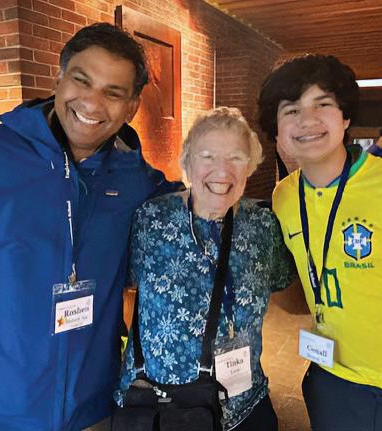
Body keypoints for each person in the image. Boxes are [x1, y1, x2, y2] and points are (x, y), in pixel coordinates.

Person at [0, 23, 174, 431]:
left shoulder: (137, 181)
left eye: (113, 92)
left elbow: (202, 203)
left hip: (91, 414)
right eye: (82, 81)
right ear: (58, 80)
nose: (92, 102)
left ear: (131, 107)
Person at [258, 54, 382, 431]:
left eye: (322, 104)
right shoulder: (284, 197)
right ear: (276, 130)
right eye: (291, 110)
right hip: (330, 377)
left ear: (345, 118)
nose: (307, 120)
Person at [115, 107, 295, 431]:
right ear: (187, 163)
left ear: (251, 166)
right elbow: (124, 291)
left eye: (236, 158)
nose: (222, 171)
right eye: (207, 156)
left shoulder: (264, 225)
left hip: (243, 404)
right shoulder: (151, 218)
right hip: (158, 404)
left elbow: (288, 290)